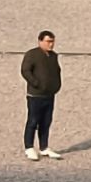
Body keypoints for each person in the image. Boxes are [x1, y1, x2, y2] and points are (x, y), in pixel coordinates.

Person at [20, 30, 62, 161]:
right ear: (40, 41)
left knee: (46, 121)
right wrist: (36, 83)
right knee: (33, 121)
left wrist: (57, 86)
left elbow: (57, 71)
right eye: (48, 41)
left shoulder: (53, 56)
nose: (51, 44)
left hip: (49, 95)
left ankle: (44, 147)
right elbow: (25, 71)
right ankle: (29, 147)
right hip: (35, 95)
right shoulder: (32, 54)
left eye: (52, 41)